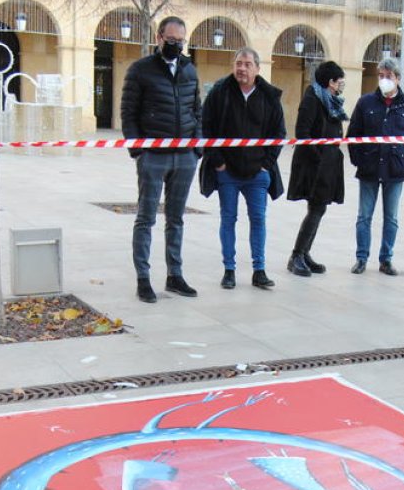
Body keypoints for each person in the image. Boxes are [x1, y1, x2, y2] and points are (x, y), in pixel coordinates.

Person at [120, 16, 201, 304]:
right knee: (145, 218)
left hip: (184, 157)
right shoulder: (141, 70)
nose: (176, 45)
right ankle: (143, 279)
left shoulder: (190, 69)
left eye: (180, 41)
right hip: (153, 156)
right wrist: (138, 151)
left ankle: (174, 276)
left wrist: (196, 148)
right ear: (159, 37)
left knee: (176, 219)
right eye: (171, 40)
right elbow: (128, 113)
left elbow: (196, 108)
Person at [199, 47, 286, 290]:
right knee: (228, 219)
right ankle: (229, 270)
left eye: (247, 64)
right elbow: (206, 129)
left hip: (257, 174)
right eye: (238, 63)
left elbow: (278, 135)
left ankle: (259, 270)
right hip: (227, 171)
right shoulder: (219, 93)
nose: (242, 68)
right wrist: (218, 162)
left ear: (258, 69)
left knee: (258, 219)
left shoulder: (269, 97)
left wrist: (266, 166)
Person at [344, 57, 404, 276]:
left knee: (391, 218)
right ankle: (361, 258)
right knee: (364, 217)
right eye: (381, 76)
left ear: (397, 78)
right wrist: (358, 159)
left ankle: (386, 259)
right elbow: (353, 135)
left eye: (388, 76)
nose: (384, 80)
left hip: (395, 170)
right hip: (369, 168)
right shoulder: (366, 102)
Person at [286, 61, 347, 277]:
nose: (341, 86)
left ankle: (304, 253)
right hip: (314, 165)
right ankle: (296, 256)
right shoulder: (312, 99)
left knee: (319, 209)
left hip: (327, 163)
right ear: (330, 82)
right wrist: (319, 156)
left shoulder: (329, 100)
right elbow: (303, 132)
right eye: (340, 82)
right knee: (316, 209)